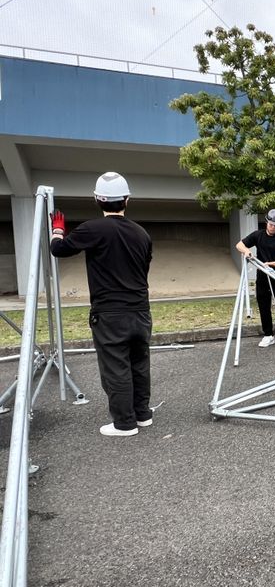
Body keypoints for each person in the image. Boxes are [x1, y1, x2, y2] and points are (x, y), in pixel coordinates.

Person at [50, 172, 153, 437]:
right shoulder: (142, 234)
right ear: (127, 200)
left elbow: (58, 250)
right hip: (141, 311)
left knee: (116, 367)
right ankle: (143, 415)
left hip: (110, 313)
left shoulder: (92, 229)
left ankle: (124, 424)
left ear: (97, 200)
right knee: (139, 364)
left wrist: (58, 231)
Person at [236, 209, 275, 348]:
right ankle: (268, 335)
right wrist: (247, 251)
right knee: (263, 304)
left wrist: (269, 264)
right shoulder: (258, 235)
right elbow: (239, 245)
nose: (273, 227)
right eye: (271, 224)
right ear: (267, 222)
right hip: (262, 275)